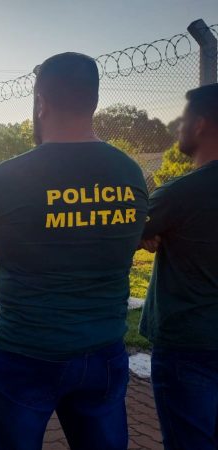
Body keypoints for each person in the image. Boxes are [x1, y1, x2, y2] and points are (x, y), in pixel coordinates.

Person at [0, 52, 148, 450]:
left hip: (26, 352)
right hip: (104, 351)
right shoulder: (128, 171)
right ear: (94, 102)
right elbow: (126, 238)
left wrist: (25, 237)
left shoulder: (4, 177)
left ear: (41, 103)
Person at [139, 83, 218, 450]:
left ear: (201, 124)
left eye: (183, 120)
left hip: (191, 343)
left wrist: (146, 234)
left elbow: (126, 234)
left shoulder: (178, 193)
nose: (177, 128)